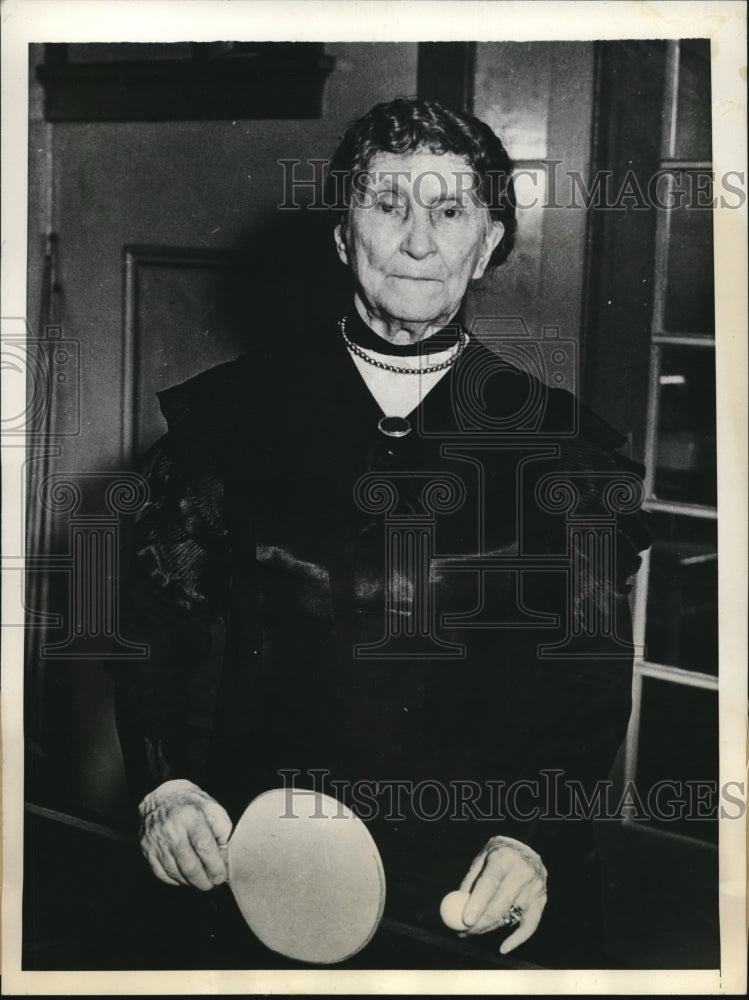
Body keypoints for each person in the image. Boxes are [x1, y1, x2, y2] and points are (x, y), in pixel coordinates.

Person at [108, 97, 651, 968]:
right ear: (339, 234)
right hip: (265, 859)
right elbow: (149, 622)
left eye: (449, 211)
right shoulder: (229, 421)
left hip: (478, 874)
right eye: (388, 203)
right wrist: (164, 784)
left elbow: (585, 684)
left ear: (488, 244)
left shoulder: (564, 452)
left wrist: (532, 837)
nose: (417, 241)